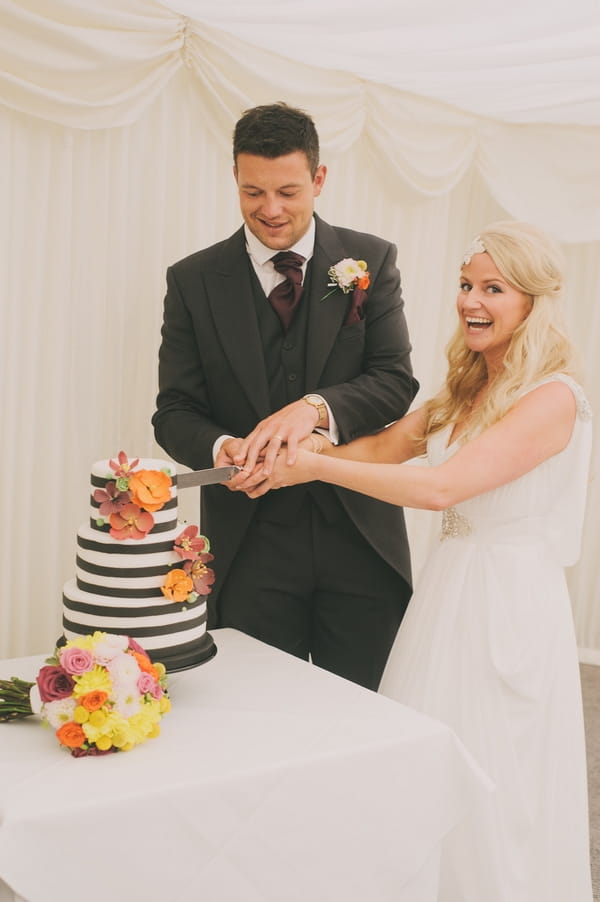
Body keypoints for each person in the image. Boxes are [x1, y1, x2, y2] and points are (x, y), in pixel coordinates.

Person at [250, 220, 593, 900]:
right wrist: (281, 464)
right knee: (426, 760)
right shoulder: (464, 390)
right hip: (449, 593)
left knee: (496, 770)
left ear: (533, 300)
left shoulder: (554, 397)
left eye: (494, 288)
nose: (472, 300)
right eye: (467, 285)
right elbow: (381, 450)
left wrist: (316, 466)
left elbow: (440, 487)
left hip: (509, 606)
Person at [152, 102, 419, 690]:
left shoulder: (371, 259)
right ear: (235, 178)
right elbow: (174, 410)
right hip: (250, 547)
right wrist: (220, 447)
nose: (269, 210)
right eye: (253, 192)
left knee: (365, 717)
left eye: (288, 192)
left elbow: (394, 380)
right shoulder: (192, 281)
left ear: (319, 180)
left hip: (360, 536)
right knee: (255, 713)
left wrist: (316, 407)